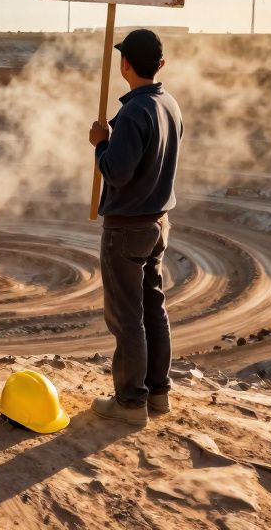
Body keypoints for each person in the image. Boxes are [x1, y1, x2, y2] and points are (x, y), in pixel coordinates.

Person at [87, 28, 183, 427]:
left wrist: (100, 144)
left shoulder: (132, 113)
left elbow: (117, 171)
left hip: (126, 227)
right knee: (153, 309)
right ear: (160, 65)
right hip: (158, 222)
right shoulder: (169, 104)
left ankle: (130, 403)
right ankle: (158, 394)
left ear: (124, 63)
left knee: (127, 318)